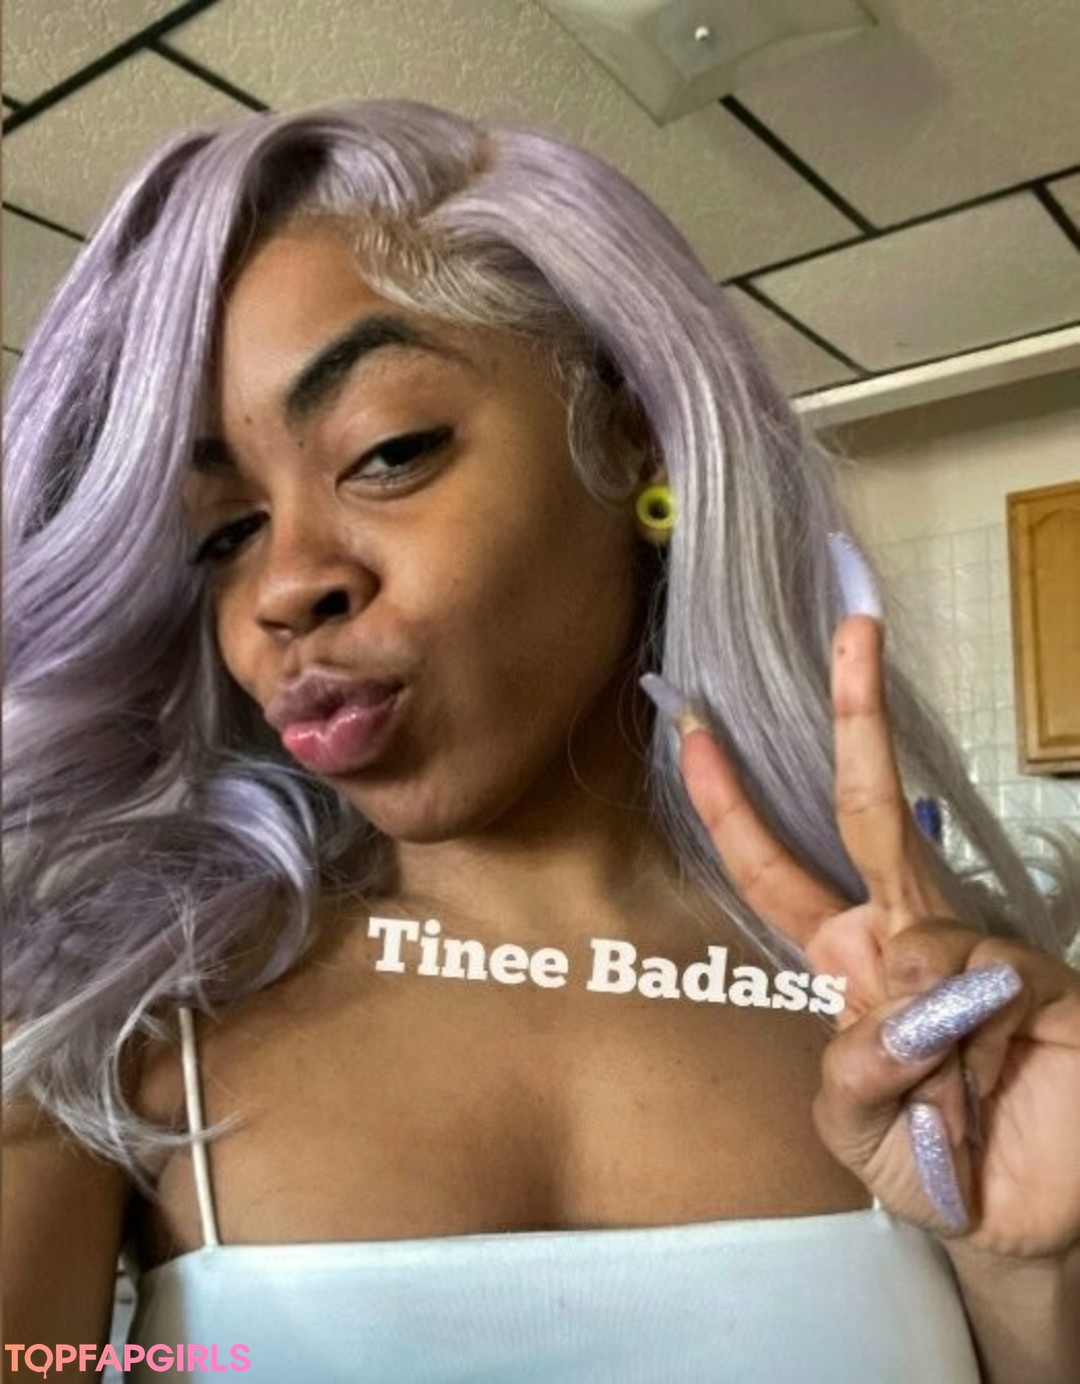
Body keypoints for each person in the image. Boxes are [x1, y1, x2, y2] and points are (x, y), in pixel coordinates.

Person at [3, 97, 1078, 1384]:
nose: (284, 585)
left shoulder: (915, 1015)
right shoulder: (104, 1032)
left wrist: (1032, 1277)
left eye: (388, 452)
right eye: (222, 534)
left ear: (630, 432)